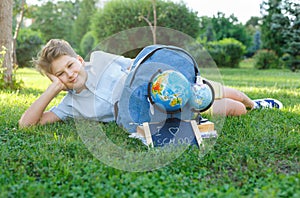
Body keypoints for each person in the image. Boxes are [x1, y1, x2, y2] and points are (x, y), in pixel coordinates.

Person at [18, 39, 283, 128]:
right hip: (156, 111)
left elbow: (136, 65)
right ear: (56, 80)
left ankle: (255, 104)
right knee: (231, 110)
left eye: (70, 66)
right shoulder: (70, 105)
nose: (69, 75)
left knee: (227, 93)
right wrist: (53, 89)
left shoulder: (99, 60)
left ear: (78, 59)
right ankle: (242, 106)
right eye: (60, 74)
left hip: (164, 83)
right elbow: (26, 124)